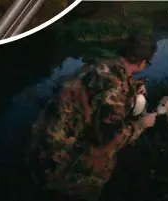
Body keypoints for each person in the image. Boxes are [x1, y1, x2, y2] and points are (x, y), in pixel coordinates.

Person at [25, 34, 158, 201]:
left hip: (41, 145)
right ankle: (72, 188)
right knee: (103, 158)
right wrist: (142, 124)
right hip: (55, 161)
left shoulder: (101, 66)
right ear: (142, 63)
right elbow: (109, 138)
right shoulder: (115, 89)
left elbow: (103, 87)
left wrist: (134, 88)